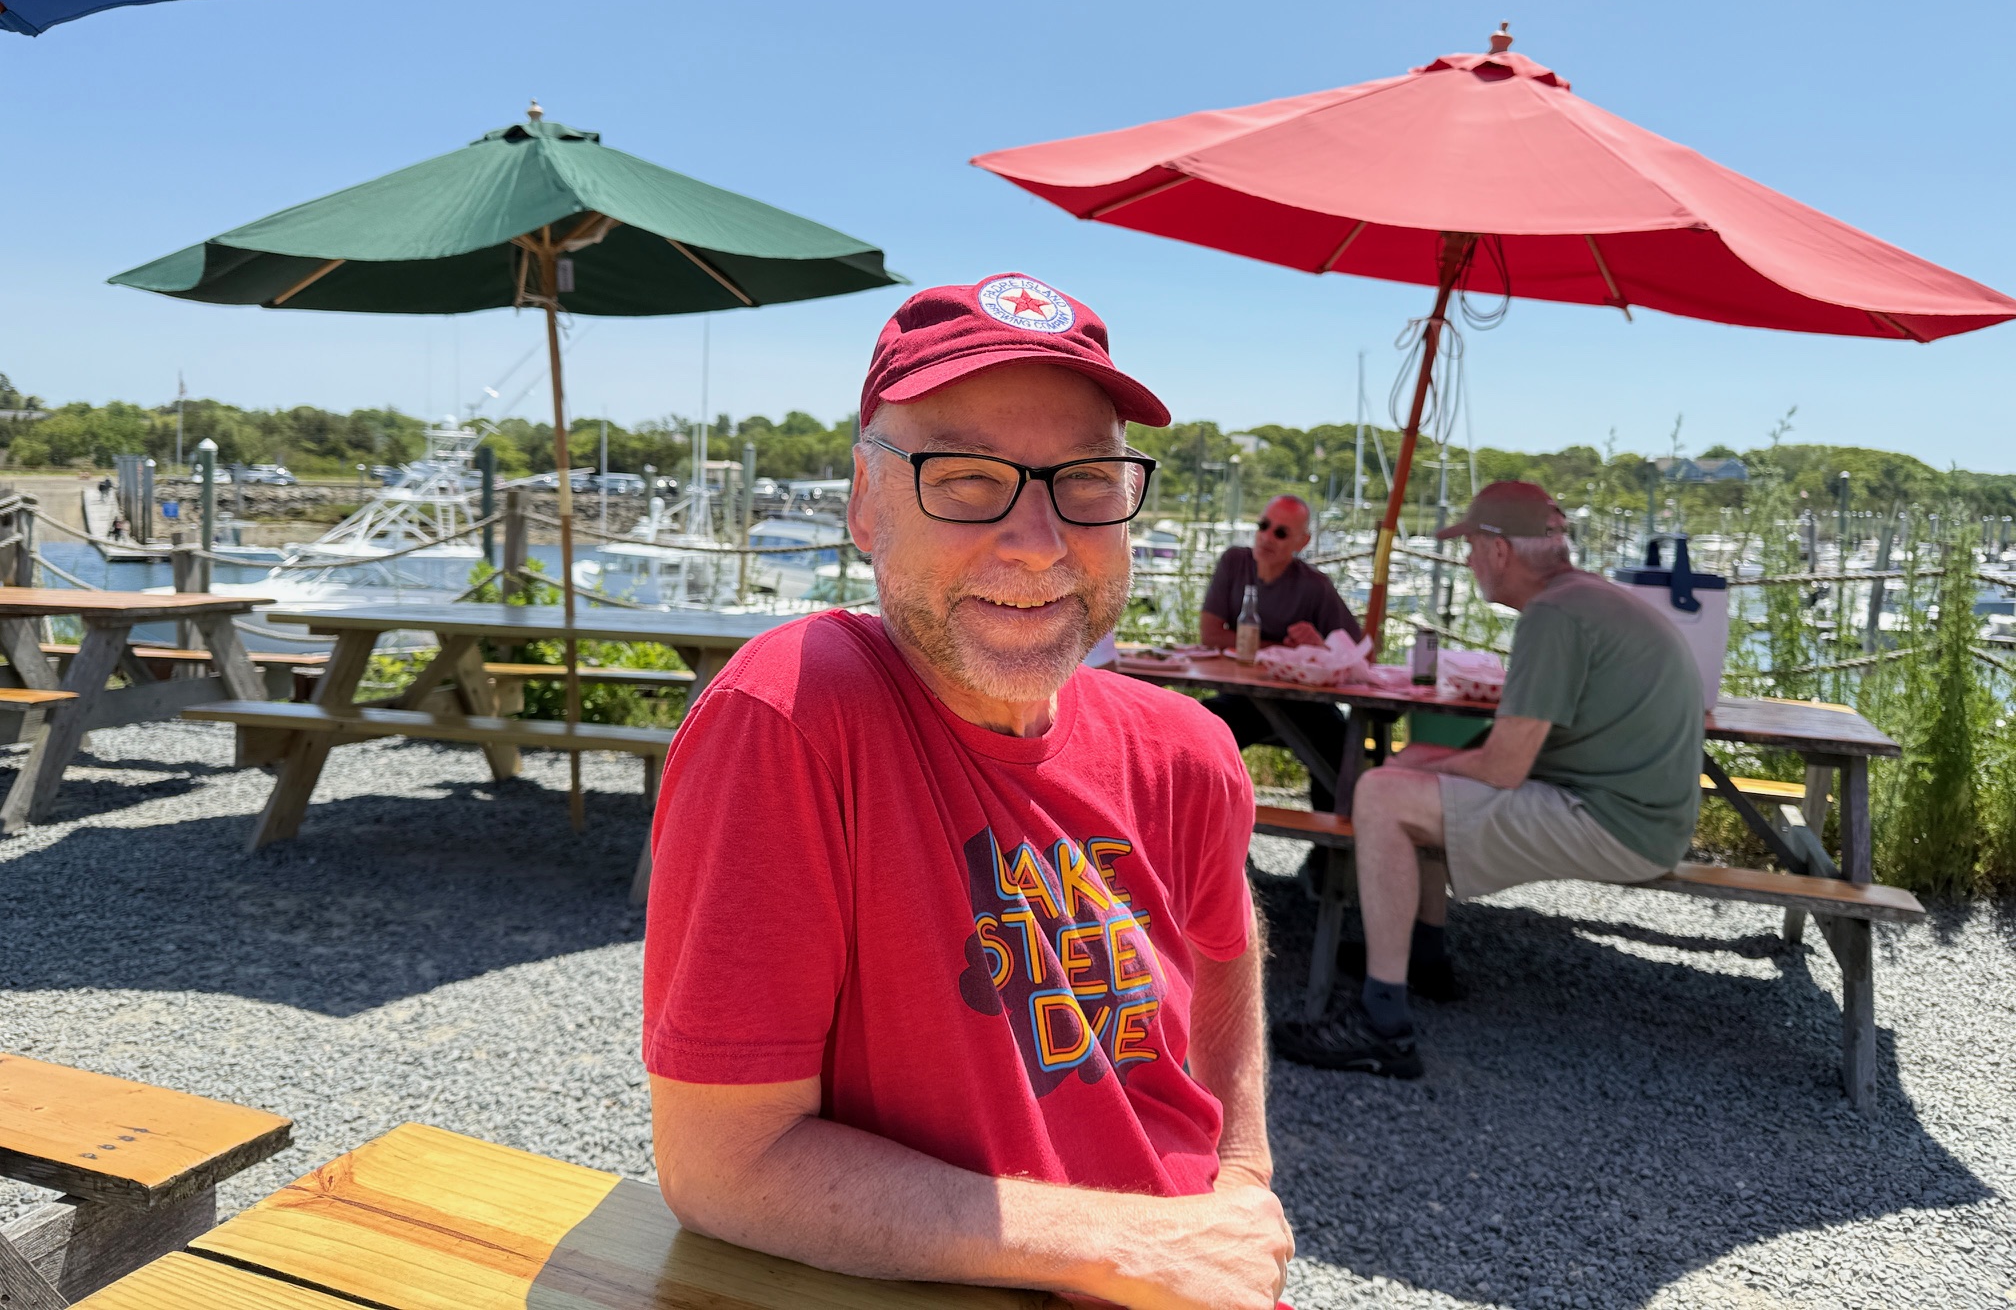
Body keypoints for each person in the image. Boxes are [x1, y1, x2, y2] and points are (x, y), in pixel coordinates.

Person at [643, 274, 1292, 1310]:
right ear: (867, 505)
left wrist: (1242, 1175)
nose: (1038, 539)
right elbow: (724, 1165)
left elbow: (1227, 947)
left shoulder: (1188, 749)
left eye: (1087, 479)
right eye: (966, 478)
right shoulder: (797, 711)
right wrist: (1127, 1248)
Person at [1273, 480, 1705, 1079]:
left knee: (1381, 794)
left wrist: (1415, 769)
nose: (1469, 558)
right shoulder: (1587, 599)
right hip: (1646, 812)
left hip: (1620, 824)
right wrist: (1422, 763)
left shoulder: (1553, 616)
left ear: (1500, 550)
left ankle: (1383, 1023)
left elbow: (1504, 767)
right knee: (1413, 773)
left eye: (1472, 545)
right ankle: (1423, 954)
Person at [1199, 494, 1363, 811]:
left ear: (1302, 542)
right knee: (1196, 729)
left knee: (1341, 745)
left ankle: (1331, 838)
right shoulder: (1234, 562)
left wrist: (1320, 646)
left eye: (1281, 532)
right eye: (1264, 525)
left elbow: (1357, 655)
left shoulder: (1316, 586)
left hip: (1303, 704)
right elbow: (1210, 634)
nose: (1267, 537)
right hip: (1243, 697)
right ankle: (1202, 829)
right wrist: (1283, 650)